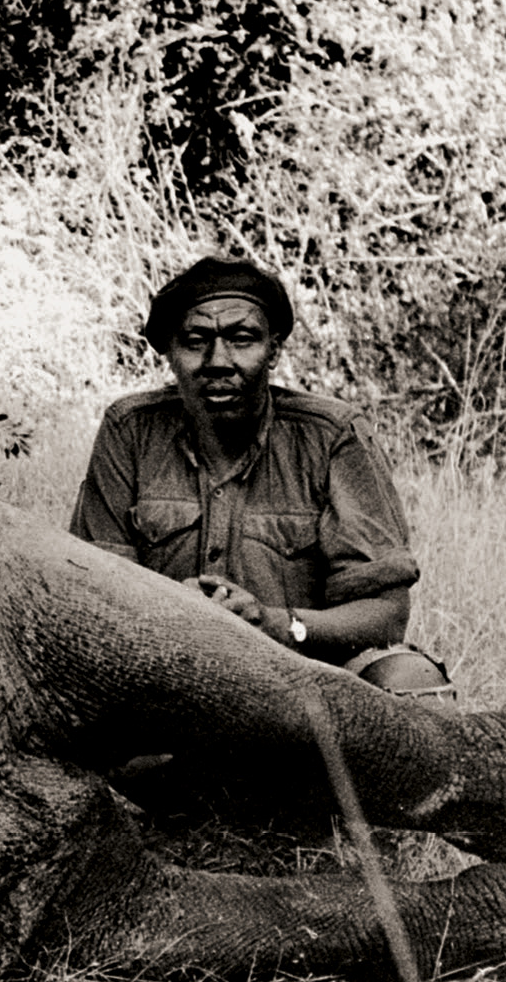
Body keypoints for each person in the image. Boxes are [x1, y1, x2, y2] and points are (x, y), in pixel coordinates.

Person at [69, 254, 453, 695]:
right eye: (196, 341)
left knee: (413, 680)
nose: (218, 360)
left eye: (242, 338)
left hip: (305, 681)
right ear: (169, 353)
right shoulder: (129, 429)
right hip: (162, 673)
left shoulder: (331, 436)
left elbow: (386, 613)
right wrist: (173, 612)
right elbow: (90, 588)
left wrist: (276, 623)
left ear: (273, 348)